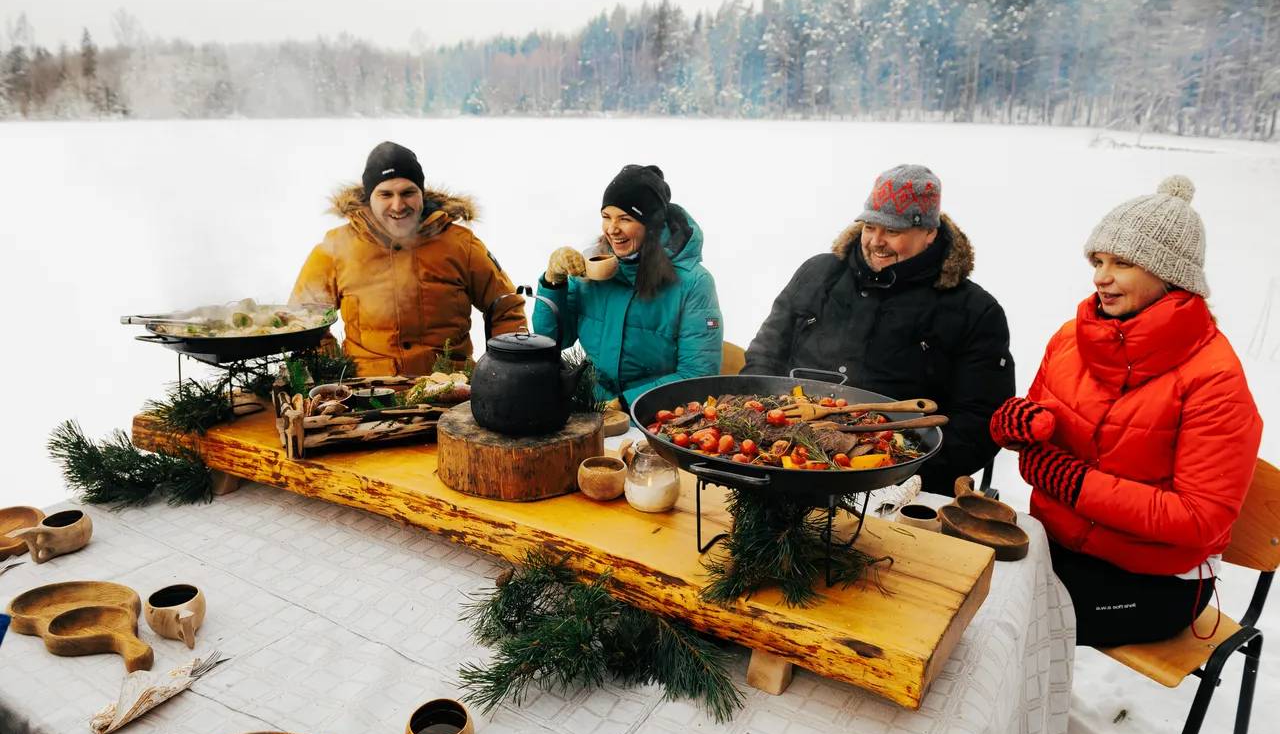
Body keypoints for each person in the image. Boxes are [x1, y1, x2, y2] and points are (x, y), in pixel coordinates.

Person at [991, 175, 1263, 648]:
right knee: (970, 583)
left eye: (1122, 263)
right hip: (1060, 544)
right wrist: (1014, 425)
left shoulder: (1215, 378)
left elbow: (1201, 519)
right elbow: (1042, 433)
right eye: (1097, 260)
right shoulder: (1070, 338)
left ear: (1169, 275)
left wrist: (1076, 485)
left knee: (1004, 618)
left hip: (1156, 580)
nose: (1100, 276)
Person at [742, 164, 1014, 495]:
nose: (876, 242)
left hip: (897, 479)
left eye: (893, 232)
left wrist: (900, 474)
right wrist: (756, 427)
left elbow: (978, 423)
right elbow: (765, 354)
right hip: (782, 456)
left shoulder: (974, 310)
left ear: (930, 232)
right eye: (869, 227)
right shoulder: (818, 273)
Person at [290, 141, 527, 376]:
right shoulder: (335, 248)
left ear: (421, 193)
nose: (398, 205)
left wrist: (503, 371)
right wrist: (333, 371)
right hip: (366, 391)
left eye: (408, 193)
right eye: (385, 194)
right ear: (369, 198)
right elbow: (304, 320)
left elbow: (506, 309)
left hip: (451, 387)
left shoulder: (461, 245)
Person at [535, 164, 722, 408]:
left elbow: (697, 375)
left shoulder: (693, 284)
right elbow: (550, 341)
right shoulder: (591, 267)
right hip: (590, 406)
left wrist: (624, 404)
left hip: (656, 418)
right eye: (606, 217)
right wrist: (553, 283)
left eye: (625, 219)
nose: (612, 229)